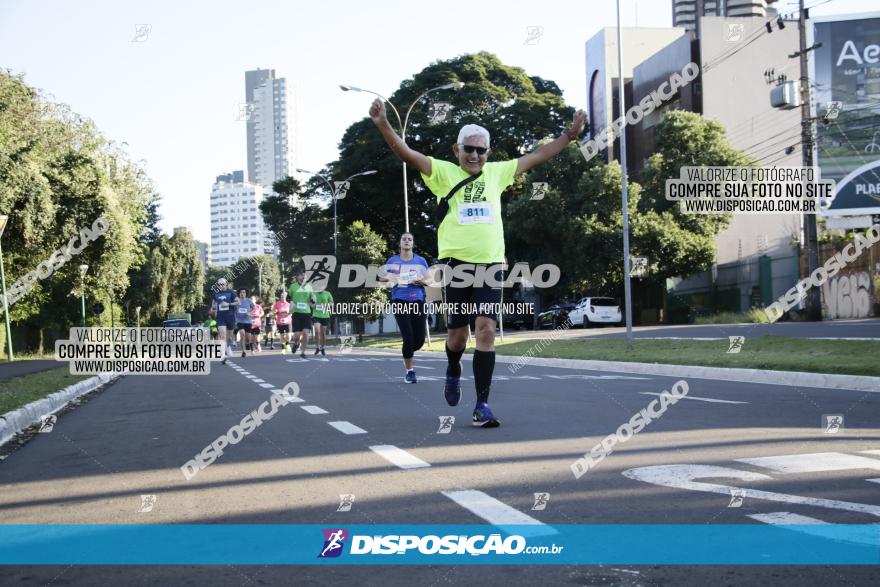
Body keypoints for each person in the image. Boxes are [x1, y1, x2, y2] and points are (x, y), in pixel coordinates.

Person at [369, 97, 586, 428]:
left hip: (490, 267)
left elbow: (538, 155)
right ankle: (453, 369)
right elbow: (407, 154)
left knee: (485, 330)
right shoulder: (443, 172)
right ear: (457, 150)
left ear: (488, 153)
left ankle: (481, 404)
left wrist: (569, 136)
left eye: (480, 151)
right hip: (456, 267)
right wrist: (384, 124)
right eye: (468, 149)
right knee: (457, 338)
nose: (474, 155)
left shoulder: (498, 174)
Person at [381, 232, 429, 383]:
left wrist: (420, 281)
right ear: (400, 243)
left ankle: (406, 351)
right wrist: (390, 278)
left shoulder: (421, 261)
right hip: (400, 300)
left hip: (418, 301)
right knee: (408, 337)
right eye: (404, 239)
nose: (407, 241)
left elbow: (429, 280)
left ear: (412, 243)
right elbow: (383, 279)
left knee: (419, 339)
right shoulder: (393, 260)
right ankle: (410, 372)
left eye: (409, 239)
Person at [288, 271, 316, 359]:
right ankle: (296, 343)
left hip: (306, 313)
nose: (303, 277)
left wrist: (313, 300)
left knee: (305, 333)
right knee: (297, 335)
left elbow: (313, 298)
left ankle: (303, 352)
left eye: (305, 276)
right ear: (298, 277)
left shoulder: (309, 287)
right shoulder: (293, 286)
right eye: (301, 275)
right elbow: (288, 297)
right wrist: (290, 301)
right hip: (296, 313)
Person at [210, 278, 238, 364]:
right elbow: (213, 304)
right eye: (219, 284)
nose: (220, 286)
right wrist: (213, 308)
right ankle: (223, 355)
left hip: (230, 317)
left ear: (226, 284)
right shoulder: (216, 294)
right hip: (220, 317)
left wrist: (228, 304)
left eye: (222, 284)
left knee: (229, 337)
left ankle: (228, 347)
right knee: (222, 335)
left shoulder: (231, 292)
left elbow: (238, 302)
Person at [234, 288, 255, 358]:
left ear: (246, 294)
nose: (242, 294)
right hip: (239, 321)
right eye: (241, 292)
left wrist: (249, 312)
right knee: (242, 334)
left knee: (248, 338)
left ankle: (248, 343)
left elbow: (253, 308)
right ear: (239, 293)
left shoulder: (249, 301)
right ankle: (243, 351)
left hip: (248, 321)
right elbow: (233, 309)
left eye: (244, 292)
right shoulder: (237, 301)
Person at [312, 288, 333, 356]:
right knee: (317, 331)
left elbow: (332, 303)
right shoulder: (314, 294)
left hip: (325, 315)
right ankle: (317, 347)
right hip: (316, 314)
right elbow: (310, 303)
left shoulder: (327, 293)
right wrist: (313, 305)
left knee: (323, 333)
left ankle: (323, 348)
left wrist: (327, 305)